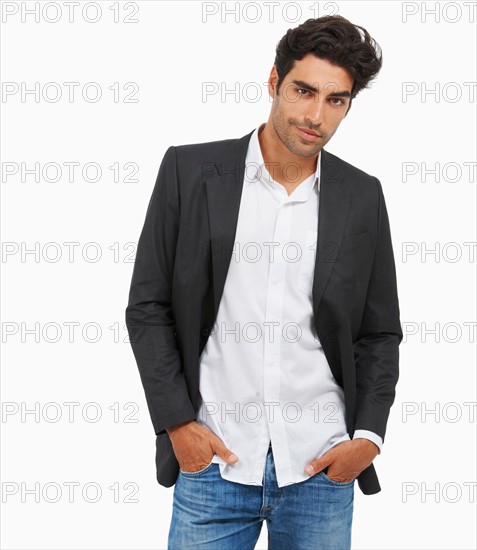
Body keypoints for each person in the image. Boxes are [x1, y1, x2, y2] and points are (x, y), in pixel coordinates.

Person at [125, 14, 403, 550]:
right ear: (274, 82)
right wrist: (178, 424)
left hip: (321, 470)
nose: (315, 115)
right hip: (214, 465)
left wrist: (367, 437)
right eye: (303, 91)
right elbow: (148, 306)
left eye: (336, 100)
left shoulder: (361, 195)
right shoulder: (190, 172)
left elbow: (378, 332)